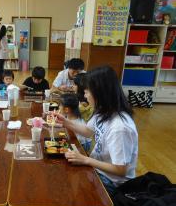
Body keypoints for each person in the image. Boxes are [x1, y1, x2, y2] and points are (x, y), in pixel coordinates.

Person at [54, 66, 138, 197]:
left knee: (65, 186)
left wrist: (85, 160)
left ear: (100, 93)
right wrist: (65, 122)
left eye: (87, 91)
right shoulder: (103, 111)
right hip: (97, 168)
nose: (85, 96)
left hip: (112, 182)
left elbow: (121, 169)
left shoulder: (120, 127)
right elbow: (88, 131)